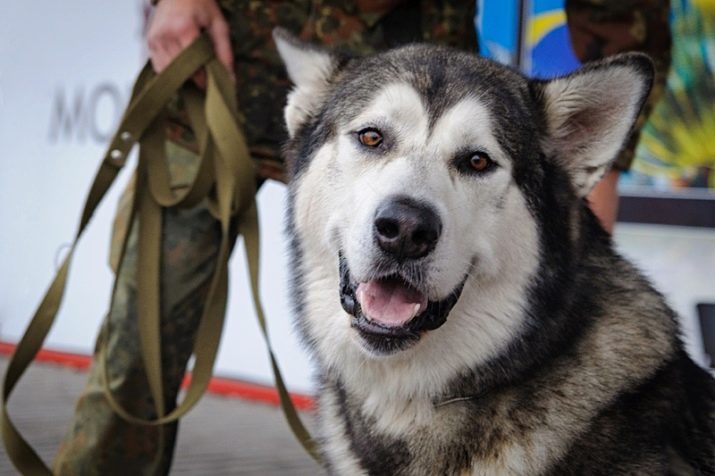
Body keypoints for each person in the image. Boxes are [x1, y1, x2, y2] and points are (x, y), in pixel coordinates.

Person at [53, 0, 669, 473]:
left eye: (477, 164)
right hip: (220, 74)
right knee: (139, 352)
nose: (404, 224)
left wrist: (565, 245)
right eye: (374, 143)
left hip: (418, 61)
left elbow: (618, 20)